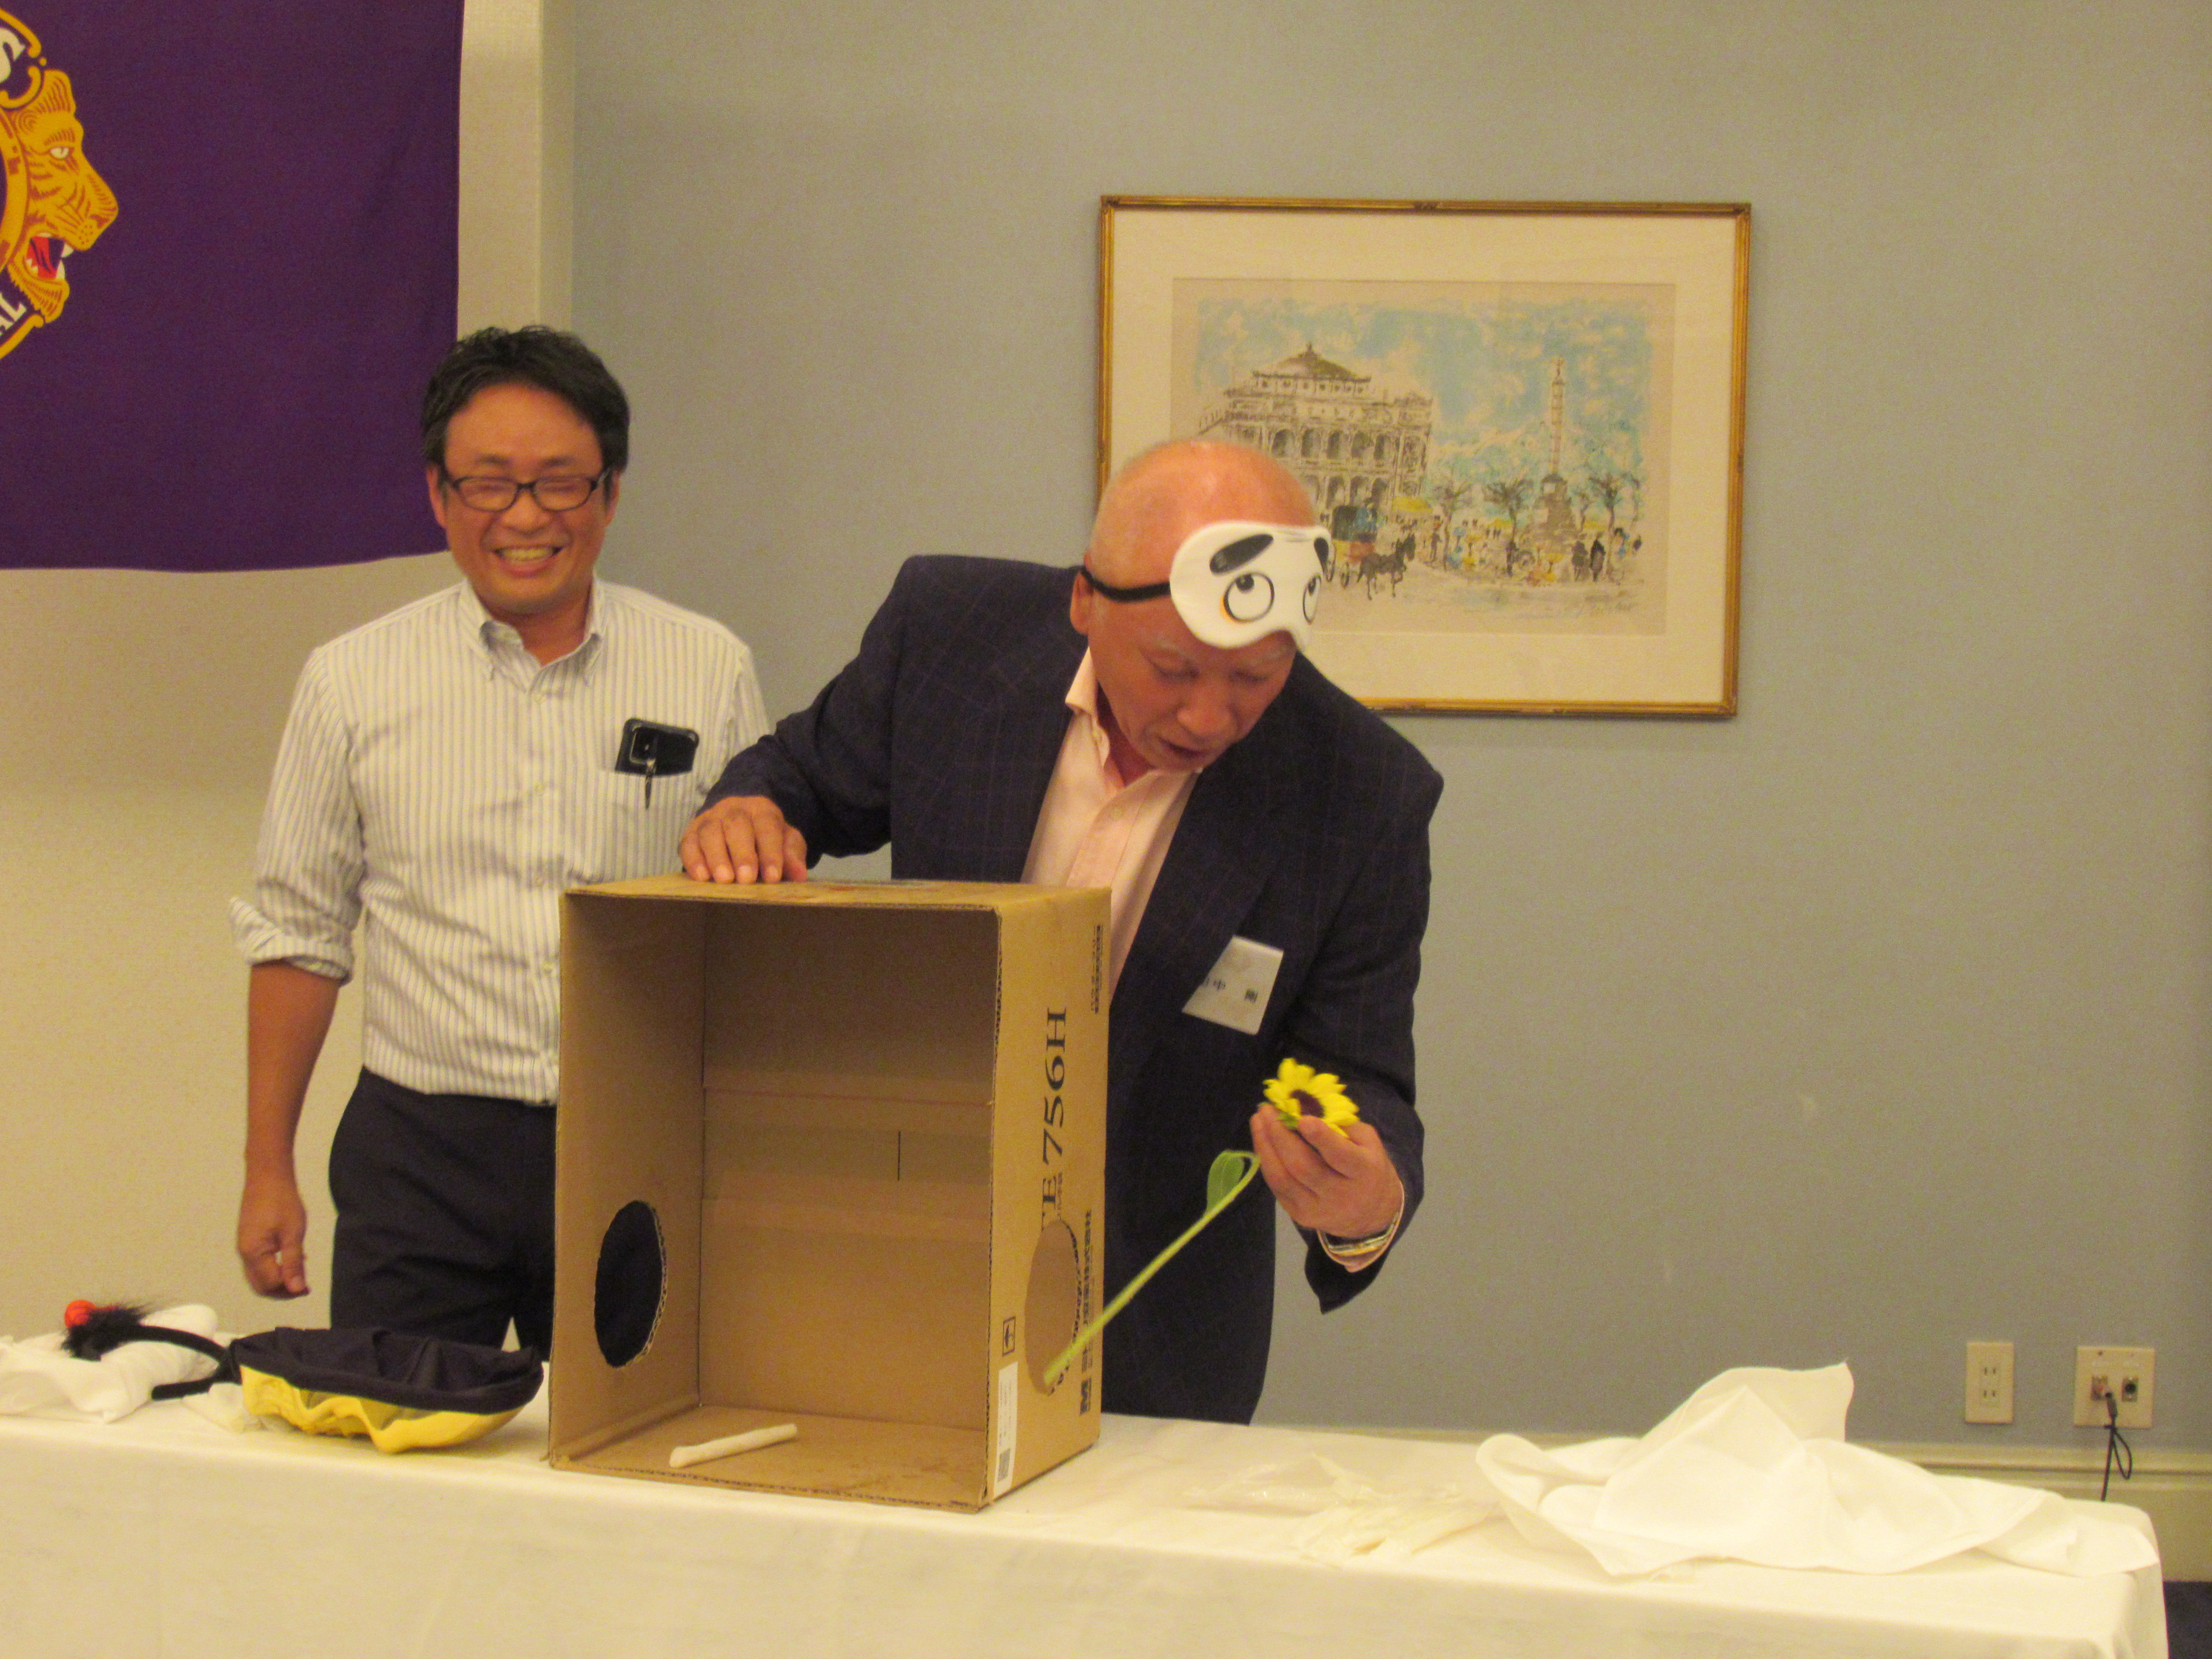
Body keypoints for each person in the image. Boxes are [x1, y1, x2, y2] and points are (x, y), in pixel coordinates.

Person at [679, 440, 1441, 1423]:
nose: (1209, 716)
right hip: (892, 1249)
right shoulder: (949, 634)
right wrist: (749, 808)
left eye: (1257, 677)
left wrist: (1366, 1209)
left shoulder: (1361, 792)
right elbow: (801, 775)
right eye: (1173, 669)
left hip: (1146, 1335)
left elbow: (1360, 1076)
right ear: (1087, 602)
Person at [232, 326, 768, 1353]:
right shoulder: (350, 681)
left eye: (561, 483)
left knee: (641, 1439)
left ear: (611, 493)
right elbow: (299, 935)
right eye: (489, 484)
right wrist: (268, 1169)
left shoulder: (707, 667)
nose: (526, 516)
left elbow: (752, 928)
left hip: (642, 1144)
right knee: (408, 1435)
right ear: (439, 496)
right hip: (420, 1158)